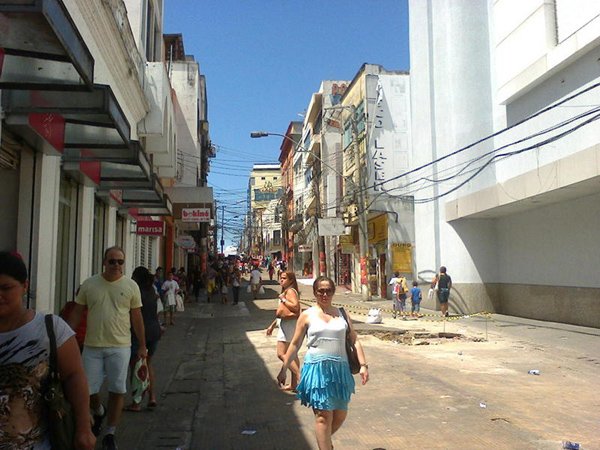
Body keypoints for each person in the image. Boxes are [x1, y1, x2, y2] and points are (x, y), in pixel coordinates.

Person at [0, 251, 96, 450]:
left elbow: (74, 376)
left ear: (24, 286)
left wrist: (84, 429)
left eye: (6, 288)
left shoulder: (50, 329)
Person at [68, 246, 147, 450]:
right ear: (104, 262)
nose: (116, 265)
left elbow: (137, 317)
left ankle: (110, 433)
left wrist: (142, 345)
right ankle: (99, 411)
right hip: (92, 347)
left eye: (120, 262)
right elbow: (76, 313)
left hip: (120, 347)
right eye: (112, 261)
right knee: (87, 391)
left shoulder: (131, 286)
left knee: (117, 390)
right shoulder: (89, 284)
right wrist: (65, 338)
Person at [277, 276, 369, 450]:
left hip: (340, 371)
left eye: (328, 291)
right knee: (323, 416)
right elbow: (295, 344)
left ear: (333, 292)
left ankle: (324, 442)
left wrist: (363, 365)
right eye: (321, 291)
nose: (325, 294)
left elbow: (354, 340)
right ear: (315, 292)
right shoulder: (307, 315)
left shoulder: (342, 313)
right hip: (317, 370)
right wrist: (284, 368)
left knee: (340, 414)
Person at [124, 267, 161, 412]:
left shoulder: (135, 292)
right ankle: (152, 397)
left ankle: (136, 402)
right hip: (154, 331)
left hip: (140, 334)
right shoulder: (151, 290)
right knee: (148, 364)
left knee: (136, 367)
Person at [266, 271, 301, 391]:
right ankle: (294, 384)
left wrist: (284, 300)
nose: (281, 280)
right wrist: (272, 325)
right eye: (280, 278)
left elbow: (295, 306)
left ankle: (300, 376)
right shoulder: (287, 291)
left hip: (289, 326)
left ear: (291, 280)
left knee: (281, 353)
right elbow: (283, 312)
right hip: (286, 325)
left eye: (284, 278)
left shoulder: (290, 291)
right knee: (292, 355)